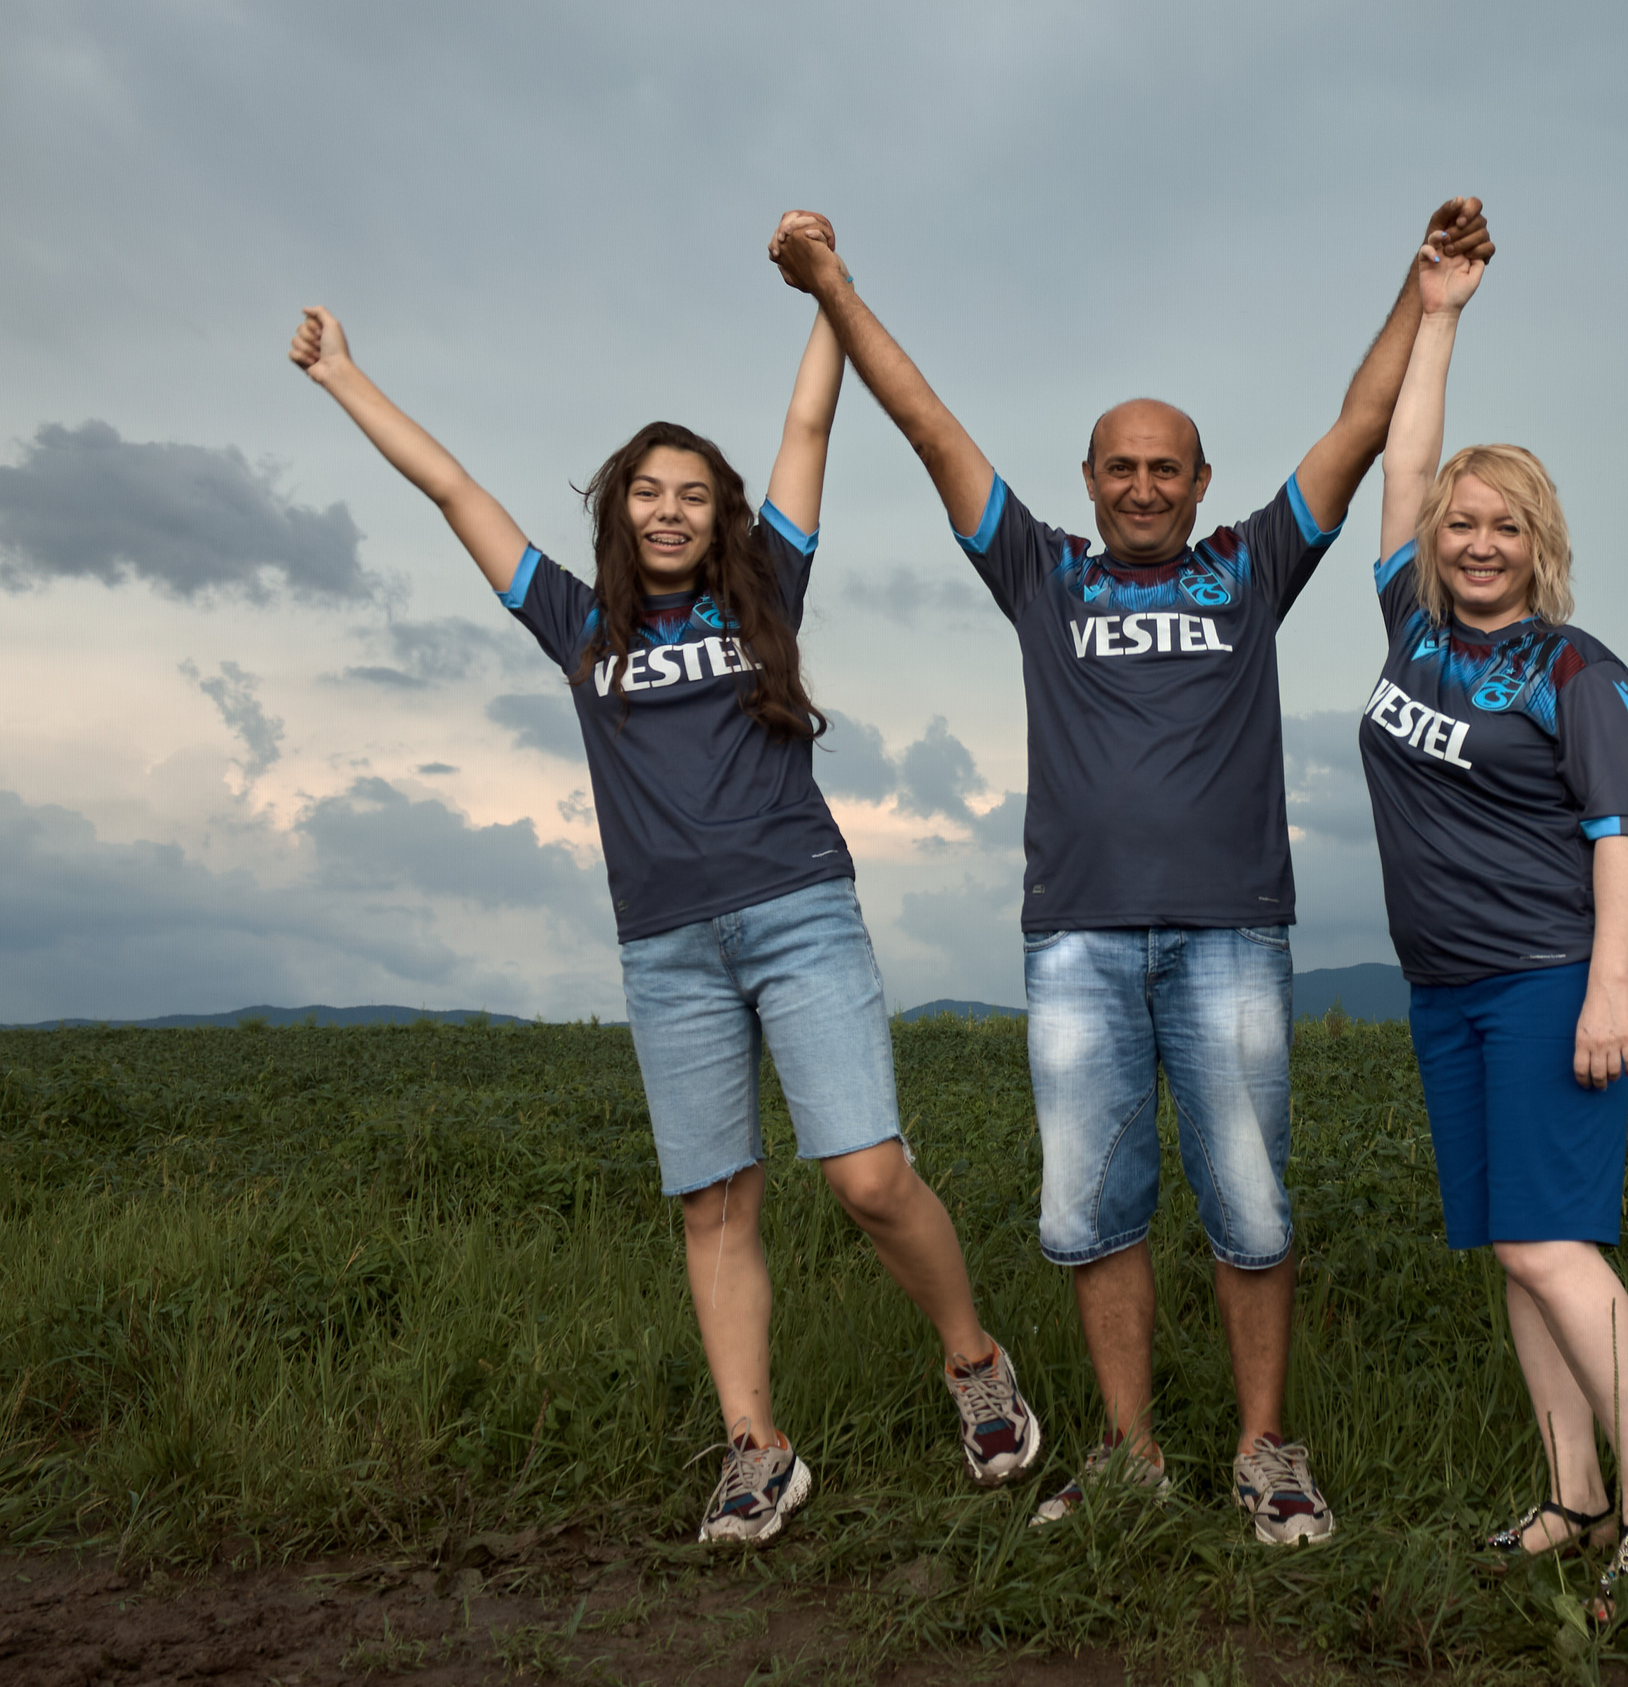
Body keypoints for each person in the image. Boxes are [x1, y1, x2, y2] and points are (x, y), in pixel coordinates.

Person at [285, 229, 1041, 1544]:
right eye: (649, 491)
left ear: (723, 511)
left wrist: (827, 296)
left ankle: (974, 1360)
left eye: (694, 491)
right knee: (714, 1202)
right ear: (620, 511)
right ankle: (758, 1449)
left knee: (865, 1178)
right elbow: (455, 491)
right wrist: (345, 376)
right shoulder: (580, 630)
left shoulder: (768, 596)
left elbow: (813, 417)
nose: (672, 509)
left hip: (800, 915)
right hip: (668, 949)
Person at [767, 199, 1494, 1545]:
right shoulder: (1042, 576)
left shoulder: (1252, 568)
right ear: (1090, 480)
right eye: (1123, 468)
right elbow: (929, 426)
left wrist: (1423, 292)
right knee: (1097, 1213)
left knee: (1252, 1209)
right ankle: (1128, 1454)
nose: (1145, 486)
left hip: (1230, 940)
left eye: (1169, 468)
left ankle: (1270, 1453)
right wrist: (835, 288)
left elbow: (1355, 426)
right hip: (1080, 947)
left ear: (1203, 483)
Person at [1356, 238, 1628, 1604]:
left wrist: (1609, 990)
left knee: (1557, 1245)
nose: (1478, 543)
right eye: (1461, 523)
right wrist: (1436, 317)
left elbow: (1621, 835)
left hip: (1551, 982)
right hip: (1448, 989)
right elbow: (1403, 456)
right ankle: (1572, 1496)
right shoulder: (1413, 634)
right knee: (1512, 1251)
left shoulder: (1576, 670)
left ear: (1542, 545)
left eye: (1508, 527)